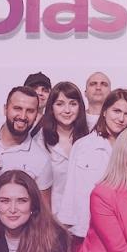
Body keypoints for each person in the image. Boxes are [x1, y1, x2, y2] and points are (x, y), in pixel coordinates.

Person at [58, 88, 127, 240]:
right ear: (104, 111)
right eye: (116, 111)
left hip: (122, 229)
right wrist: (65, 227)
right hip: (85, 230)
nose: (121, 118)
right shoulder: (83, 146)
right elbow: (70, 189)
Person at [0, 86, 55, 205]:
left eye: (30, 111)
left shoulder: (41, 160)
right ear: (5, 109)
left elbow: (44, 210)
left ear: (37, 115)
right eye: (17, 108)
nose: (23, 116)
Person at [38, 81, 88, 222]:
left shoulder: (89, 139)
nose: (67, 110)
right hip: (53, 219)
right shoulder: (40, 141)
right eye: (60, 104)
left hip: (85, 219)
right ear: (51, 108)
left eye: (73, 104)